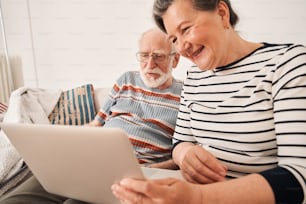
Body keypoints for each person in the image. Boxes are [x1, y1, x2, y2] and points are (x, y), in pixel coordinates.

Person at [111, 1, 306, 204]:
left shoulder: (287, 64)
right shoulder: (195, 77)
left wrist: (198, 197)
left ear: (222, 13)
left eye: (186, 29)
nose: (182, 47)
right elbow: (179, 142)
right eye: (174, 39)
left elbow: (299, 175)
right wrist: (185, 154)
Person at [0, 27, 183, 204]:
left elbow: (181, 155)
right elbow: (96, 125)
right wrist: (62, 143)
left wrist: (147, 170)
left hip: (132, 174)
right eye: (144, 55)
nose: (150, 64)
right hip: (90, 161)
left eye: (158, 56)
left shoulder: (185, 94)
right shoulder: (126, 79)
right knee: (15, 199)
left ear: (175, 60)